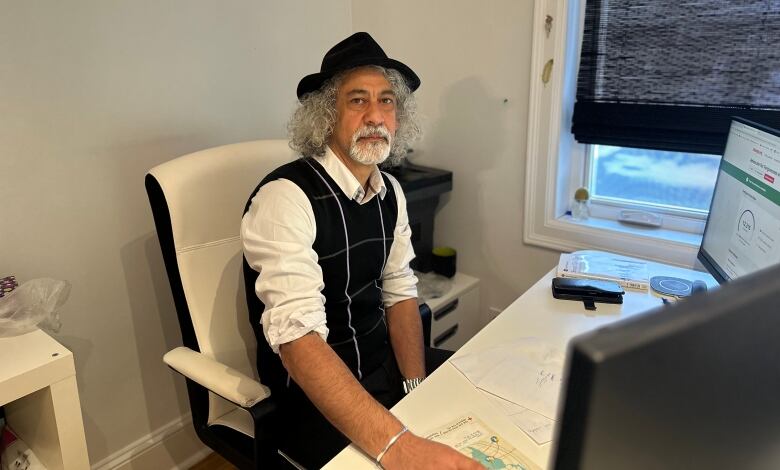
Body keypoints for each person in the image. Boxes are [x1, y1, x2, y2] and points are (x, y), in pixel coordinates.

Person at [241, 32, 482, 469]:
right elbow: (298, 340)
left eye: (386, 101)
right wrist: (401, 446)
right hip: (316, 400)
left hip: (384, 371)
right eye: (357, 101)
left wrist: (414, 390)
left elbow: (400, 291)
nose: (376, 116)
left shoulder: (390, 190)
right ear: (326, 115)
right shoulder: (286, 197)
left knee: (485, 401)